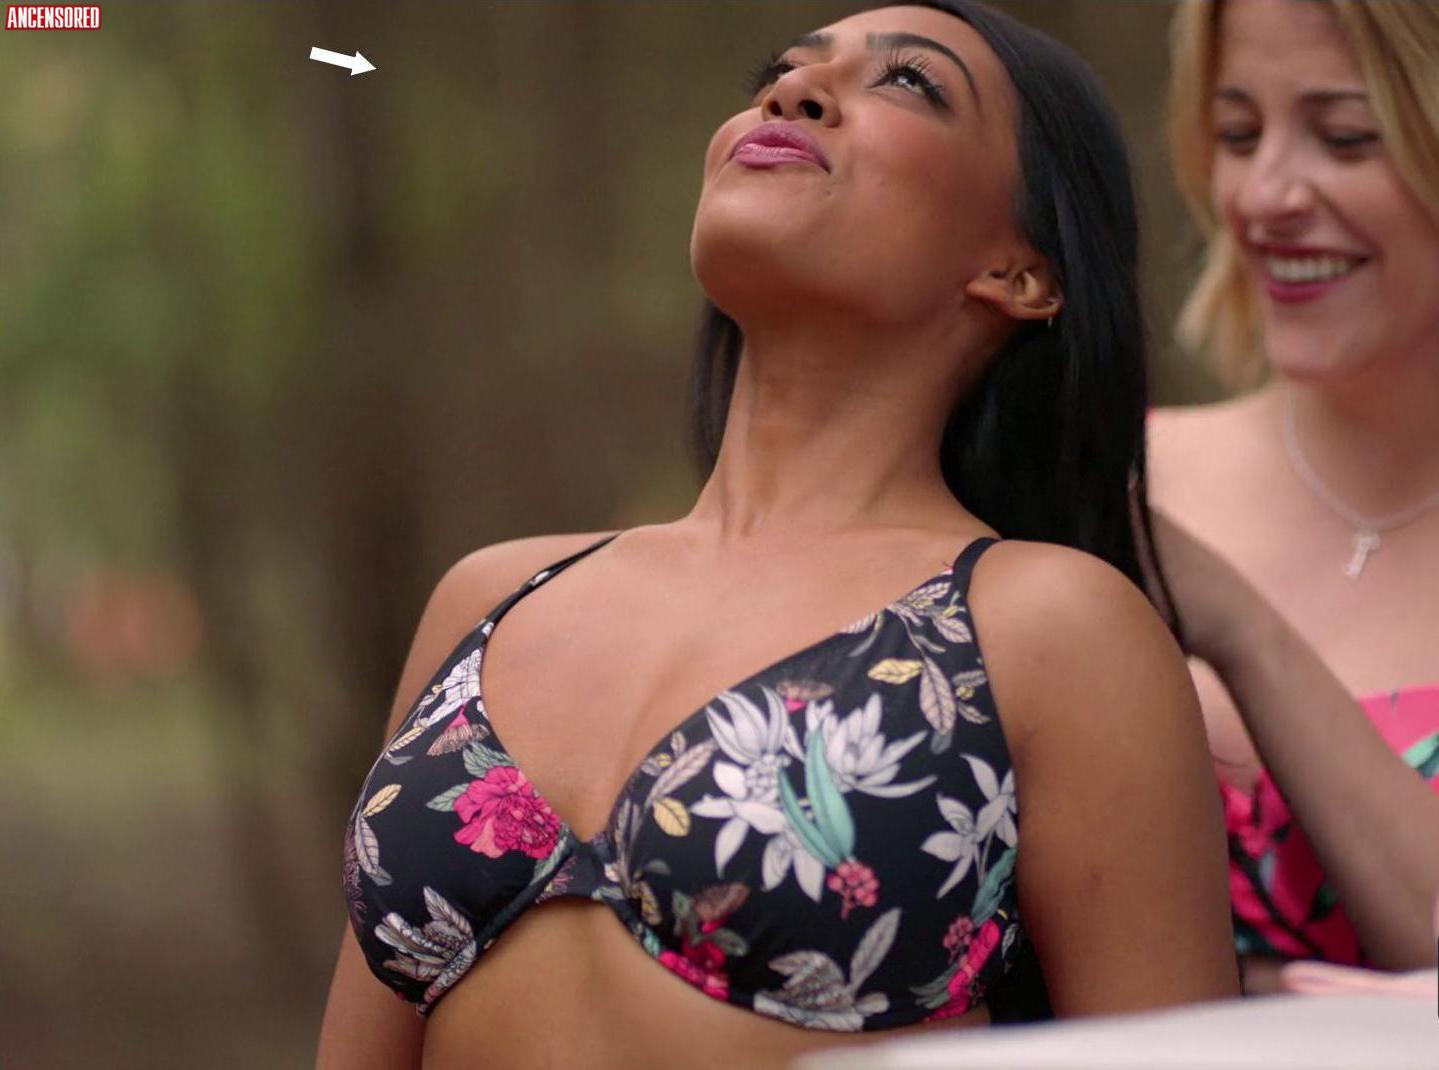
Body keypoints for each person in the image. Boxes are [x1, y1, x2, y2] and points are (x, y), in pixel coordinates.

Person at [317, 3, 1238, 1066]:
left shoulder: (1046, 628)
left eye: (908, 82)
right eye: (783, 70)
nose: (791, 92)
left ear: (1018, 270)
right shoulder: (490, 598)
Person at [1149, 0, 1439, 995]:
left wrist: (1233, 622)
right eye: (1236, 134)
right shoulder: (1117, 484)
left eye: (1345, 136)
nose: (1263, 195)